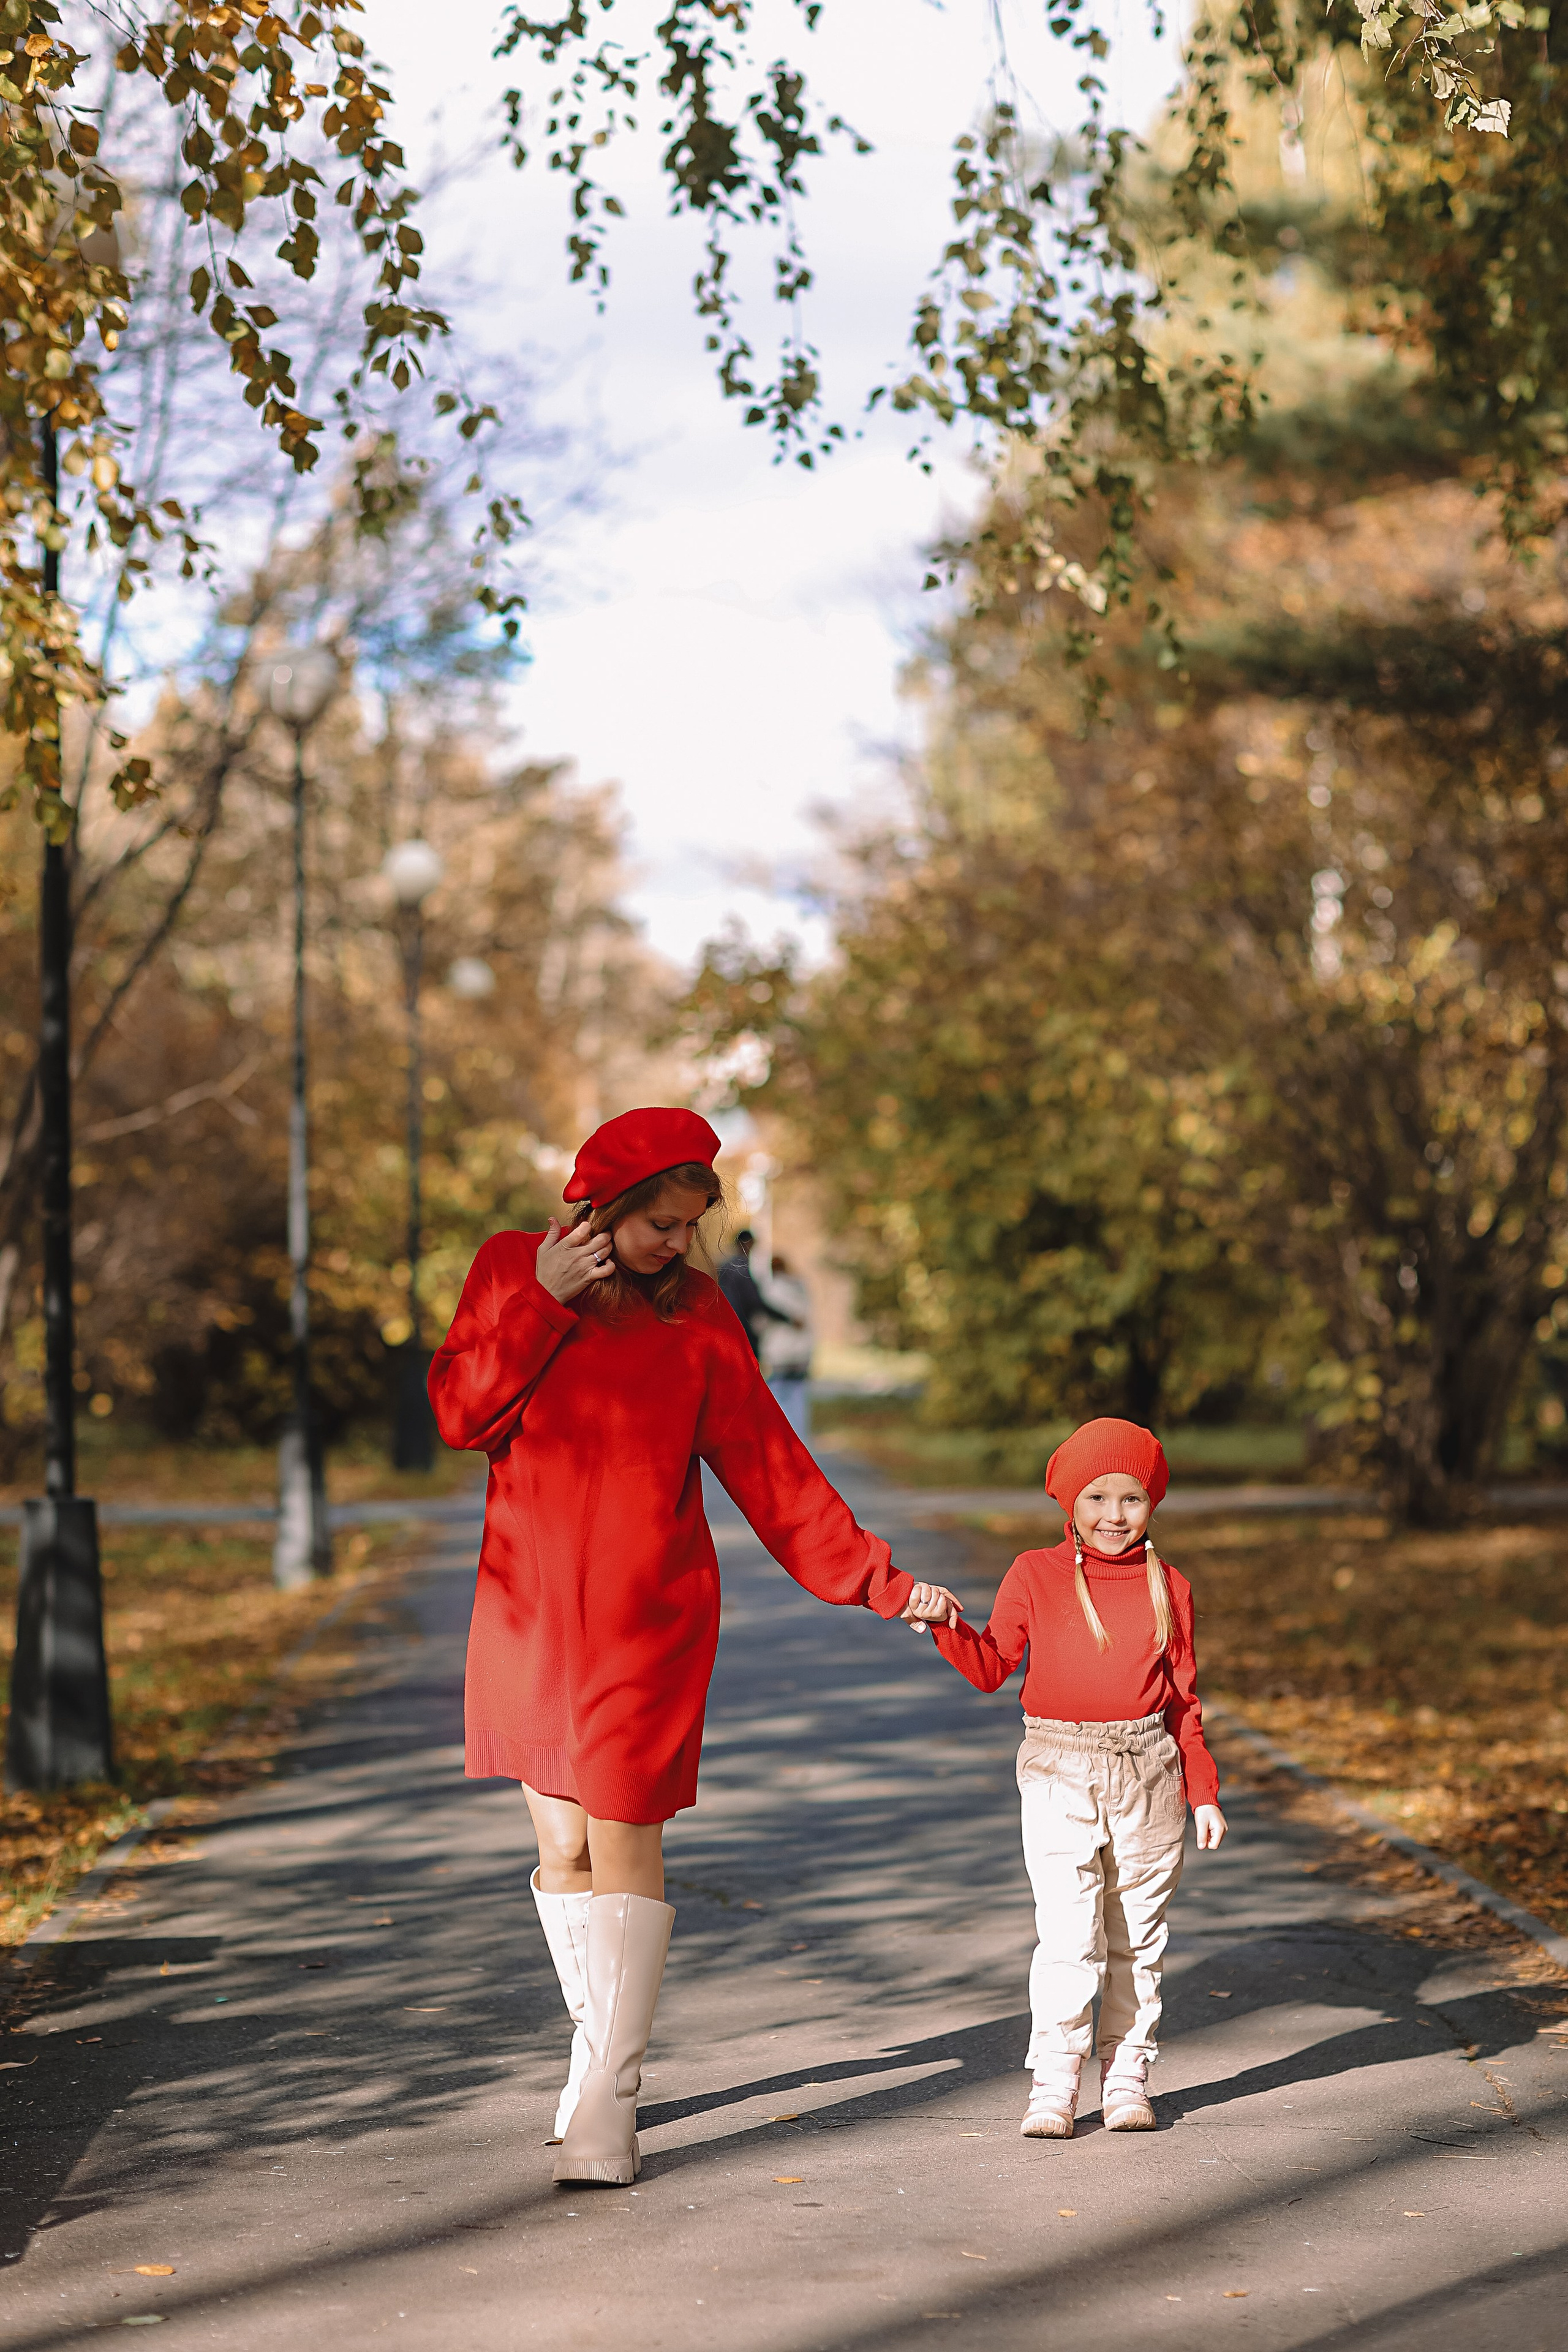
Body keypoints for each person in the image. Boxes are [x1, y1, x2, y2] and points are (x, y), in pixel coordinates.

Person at [426, 1107, 961, 2188]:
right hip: (527, 1610)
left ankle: (611, 2107)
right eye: (660, 1223)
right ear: (602, 1206)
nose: (678, 1243)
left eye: (689, 1224)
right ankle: (592, 2064)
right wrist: (546, 1300)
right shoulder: (507, 1272)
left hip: (649, 1620)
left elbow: (772, 1470)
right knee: (564, 1850)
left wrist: (883, 1583)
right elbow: (461, 1415)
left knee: (622, 1831)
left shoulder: (701, 1316)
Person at [902, 1417, 1226, 2139]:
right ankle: (1055, 2078)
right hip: (1057, 1769)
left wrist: (1202, 1792)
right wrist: (945, 1624)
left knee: (1137, 1936)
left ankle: (1127, 2074)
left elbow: (1183, 1701)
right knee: (1068, 1932)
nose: (1114, 1515)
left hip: (1149, 1773)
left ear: (1153, 1503)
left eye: (1132, 1499)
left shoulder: (1168, 1586)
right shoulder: (1034, 1575)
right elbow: (991, 1668)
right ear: (1069, 1503)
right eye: (1097, 1497)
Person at [716, 1226, 797, 1362]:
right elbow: (755, 1302)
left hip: (723, 1326)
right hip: (742, 1328)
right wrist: (787, 1319)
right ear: (747, 1243)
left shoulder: (723, 1266)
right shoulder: (742, 1268)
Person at [758, 1251, 813, 1439]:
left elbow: (761, 1322)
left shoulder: (769, 1290)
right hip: (801, 1355)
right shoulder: (800, 1289)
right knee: (798, 1399)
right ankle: (800, 1439)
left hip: (780, 1354)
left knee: (778, 1399)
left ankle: (780, 1440)